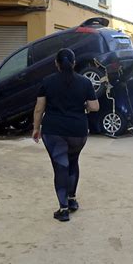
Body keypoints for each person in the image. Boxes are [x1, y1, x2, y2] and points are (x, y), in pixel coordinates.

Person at [32, 48, 99, 222]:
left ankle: (63, 210)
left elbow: (39, 108)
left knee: (60, 167)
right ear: (74, 63)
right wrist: (82, 107)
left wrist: (36, 128)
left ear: (56, 64)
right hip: (78, 131)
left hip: (54, 131)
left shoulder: (47, 82)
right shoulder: (85, 83)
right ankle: (72, 200)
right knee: (73, 162)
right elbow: (94, 107)